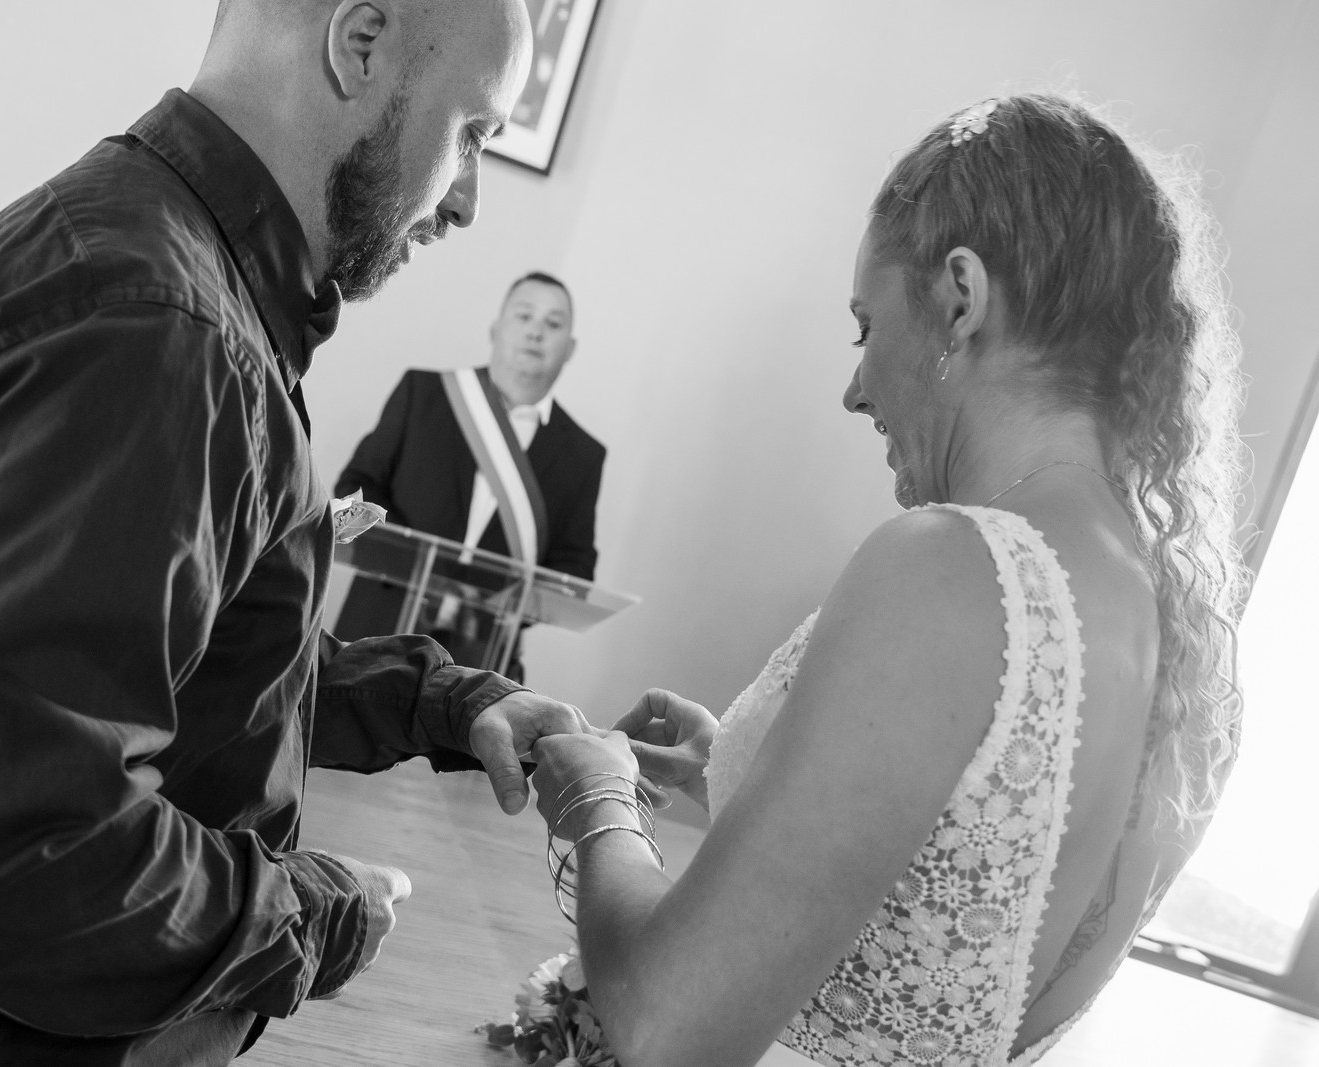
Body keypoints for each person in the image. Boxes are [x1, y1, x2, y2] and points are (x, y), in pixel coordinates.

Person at [0, 2, 592, 1065]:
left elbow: (178, 666)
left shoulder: (163, 268)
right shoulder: (162, 327)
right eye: (471, 133)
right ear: (359, 43)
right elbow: (10, 850)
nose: (464, 200)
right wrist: (312, 913)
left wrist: (444, 701)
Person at [530, 93, 1248, 1067]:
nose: (854, 386)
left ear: (960, 297)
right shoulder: (1171, 625)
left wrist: (598, 795)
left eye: (863, 326)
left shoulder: (950, 564)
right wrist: (743, 763)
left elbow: (668, 1027)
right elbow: (973, 898)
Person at [332, 271, 605, 679]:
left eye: (553, 323)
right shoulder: (424, 393)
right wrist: (422, 574)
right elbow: (356, 488)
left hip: (484, 658)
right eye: (524, 316)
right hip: (377, 629)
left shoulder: (583, 455)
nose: (535, 332)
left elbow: (575, 568)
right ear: (496, 329)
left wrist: (504, 604)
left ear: (570, 348)